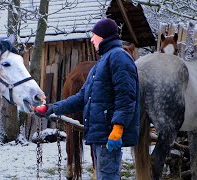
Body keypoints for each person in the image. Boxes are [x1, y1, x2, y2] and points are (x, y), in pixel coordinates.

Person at [36, 18, 140, 179]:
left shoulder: (119, 58)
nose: (92, 39)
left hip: (109, 136)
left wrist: (118, 129)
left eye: (95, 35)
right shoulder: (101, 63)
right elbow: (81, 97)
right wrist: (52, 108)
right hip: (99, 135)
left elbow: (126, 97)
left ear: (105, 37)